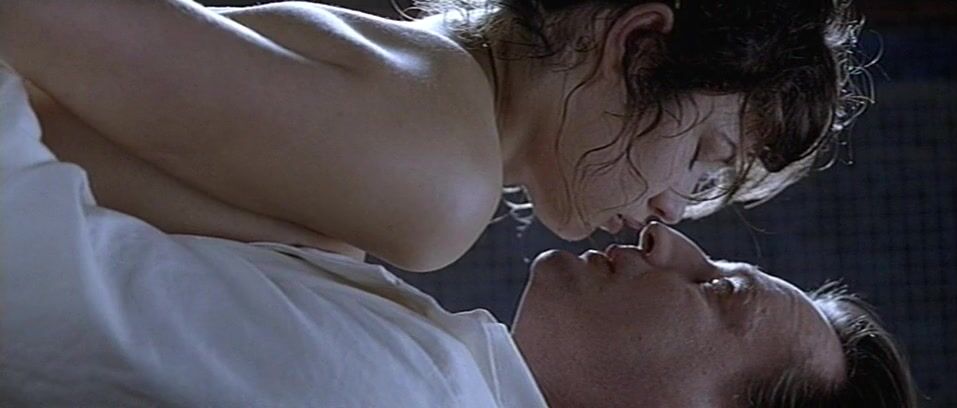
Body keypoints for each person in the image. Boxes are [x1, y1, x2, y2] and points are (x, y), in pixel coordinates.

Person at [0, 70, 916, 407]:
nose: (665, 236)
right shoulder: (429, 355)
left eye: (720, 293)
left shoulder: (396, 391)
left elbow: (26, 270)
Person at [0, 0, 867, 272]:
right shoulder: (440, 179)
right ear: (637, 45)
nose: (673, 211)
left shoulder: (431, 87)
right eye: (704, 160)